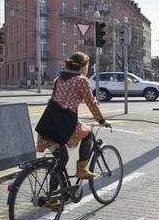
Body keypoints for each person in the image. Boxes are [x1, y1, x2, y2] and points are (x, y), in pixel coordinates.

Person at [36, 51, 110, 179]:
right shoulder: (81, 80)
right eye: (87, 67)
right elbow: (91, 102)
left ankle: (54, 195)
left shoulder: (59, 79)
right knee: (88, 134)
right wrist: (102, 121)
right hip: (64, 125)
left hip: (48, 124)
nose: (87, 70)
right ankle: (81, 169)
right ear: (82, 67)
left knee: (61, 160)